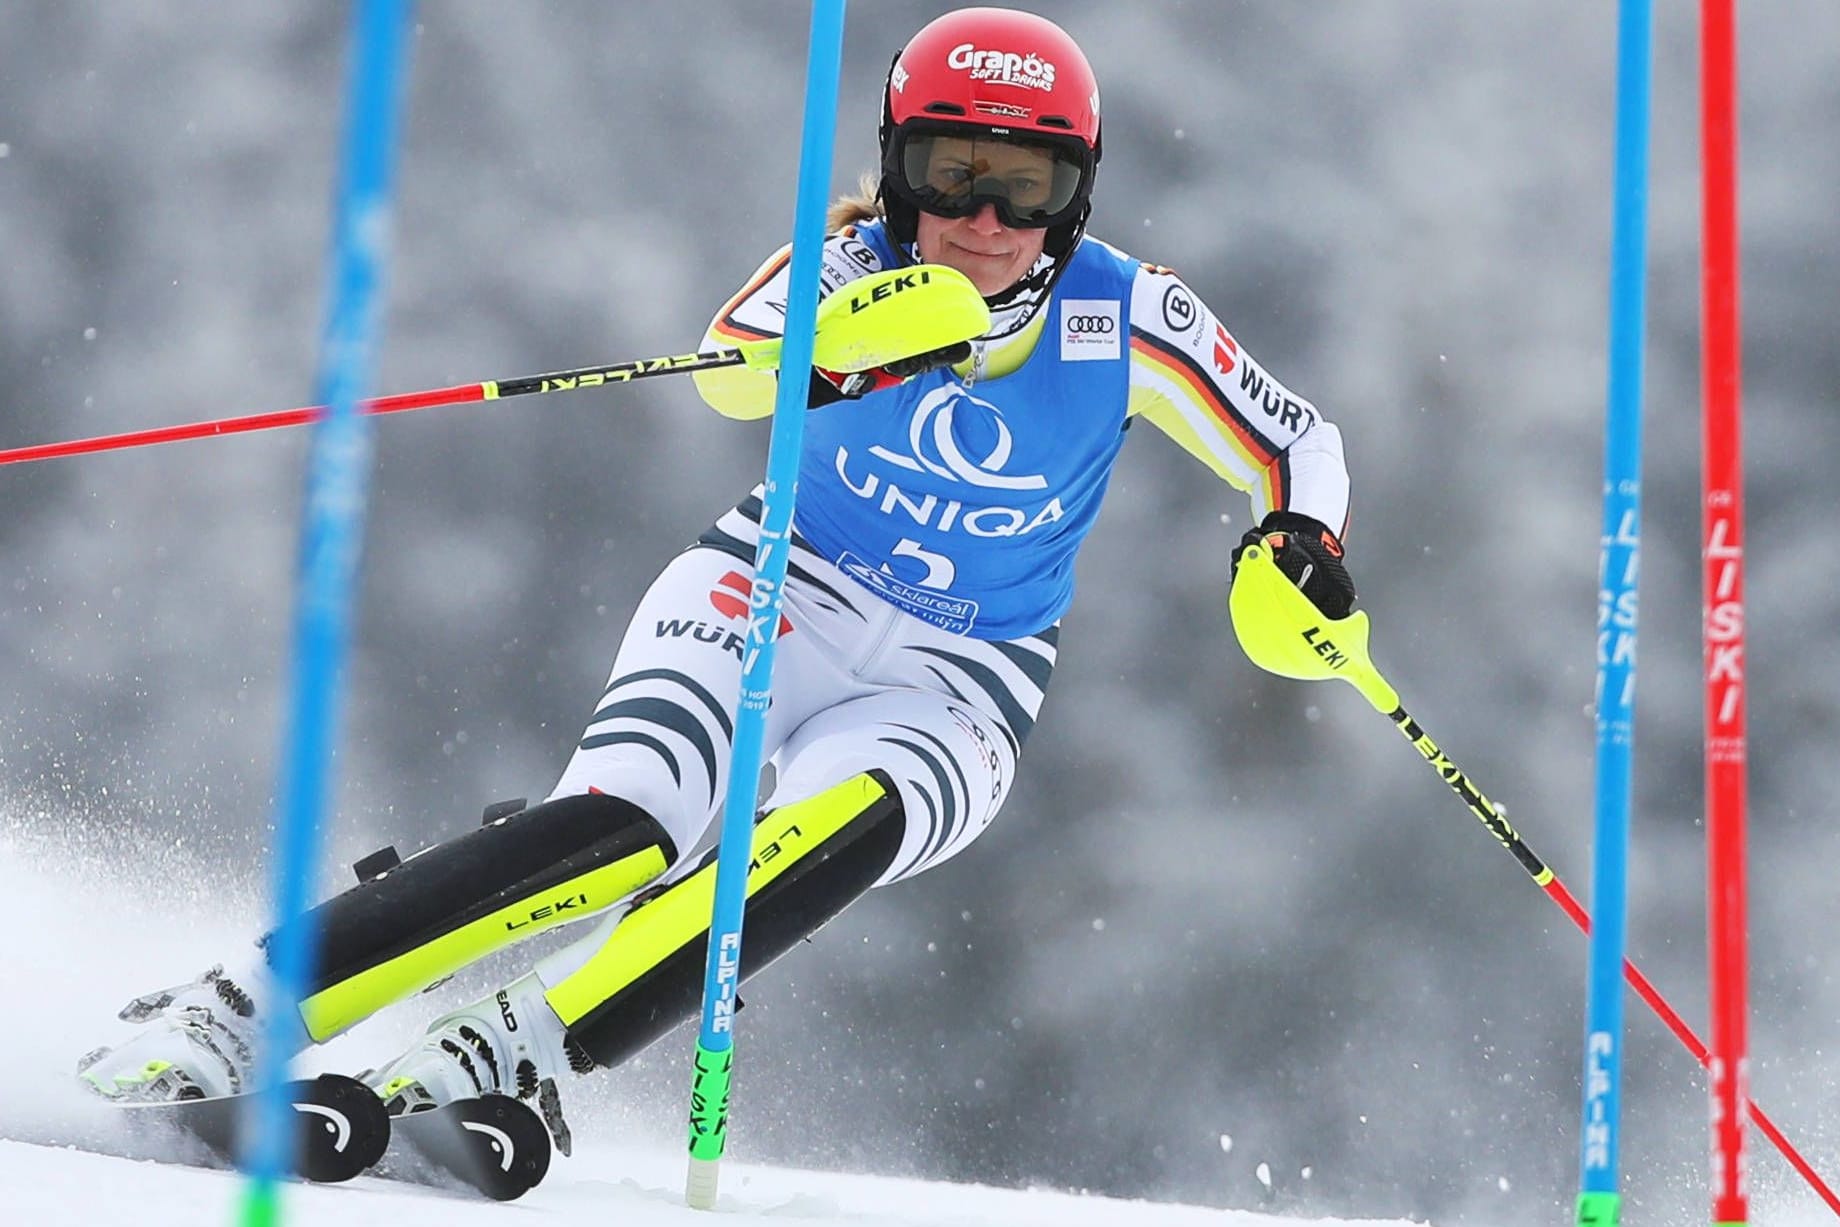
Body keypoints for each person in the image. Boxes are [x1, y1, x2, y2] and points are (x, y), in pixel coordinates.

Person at [78, 6, 1355, 1153]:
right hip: (776, 589)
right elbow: (729, 364)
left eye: (1027, 187)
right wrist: (836, 348)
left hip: (966, 674)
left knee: (824, 836)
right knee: (634, 818)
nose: (983, 221)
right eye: (950, 173)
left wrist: (1300, 544)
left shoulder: (1124, 315)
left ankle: (513, 1050)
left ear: (1074, 198)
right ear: (896, 164)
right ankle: (233, 1008)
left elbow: (1295, 441)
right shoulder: (847, 264)